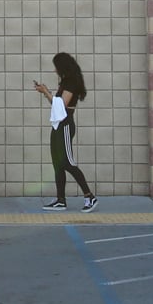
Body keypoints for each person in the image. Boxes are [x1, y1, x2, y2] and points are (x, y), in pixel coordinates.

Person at [34, 51, 98, 212]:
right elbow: (56, 105)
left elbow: (62, 105)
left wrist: (46, 92)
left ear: (62, 66)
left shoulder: (71, 81)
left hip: (65, 125)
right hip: (58, 125)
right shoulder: (65, 81)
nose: (55, 70)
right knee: (58, 164)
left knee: (68, 162)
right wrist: (46, 92)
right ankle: (60, 200)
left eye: (56, 67)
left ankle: (89, 196)